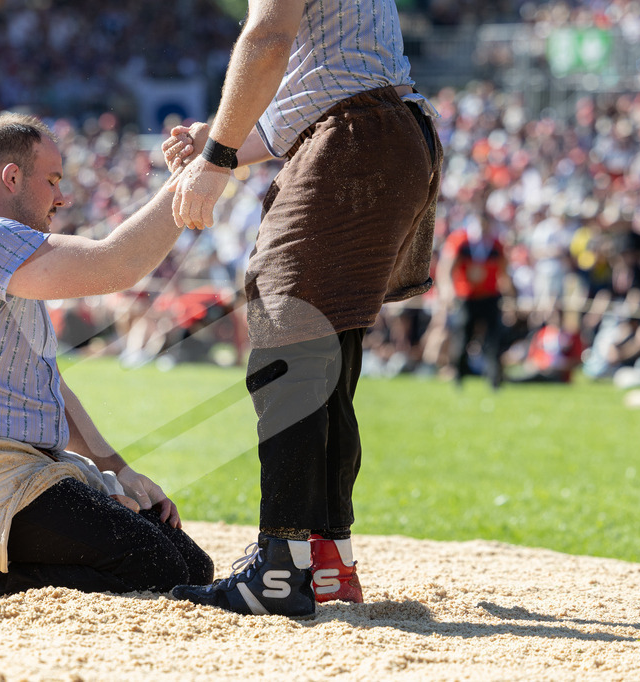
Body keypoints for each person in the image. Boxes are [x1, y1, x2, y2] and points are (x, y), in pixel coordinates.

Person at [160, 0, 442, 618]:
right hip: (388, 131)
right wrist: (220, 143)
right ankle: (326, 560)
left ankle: (281, 569)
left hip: (354, 137)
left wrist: (216, 160)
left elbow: (266, 37)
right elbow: (313, 94)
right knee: (328, 353)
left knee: (285, 345)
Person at [0, 112, 212, 598]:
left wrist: (122, 472)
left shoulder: (0, 256)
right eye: (53, 180)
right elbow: (115, 265)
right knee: (158, 565)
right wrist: (200, 172)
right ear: (11, 177)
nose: (62, 197)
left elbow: (50, 386)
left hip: (18, 470)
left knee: (192, 565)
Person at [436, 213, 514, 389]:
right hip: (467, 297)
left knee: (493, 339)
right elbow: (447, 268)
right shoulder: (460, 241)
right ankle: (459, 377)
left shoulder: (495, 244)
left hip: (490, 296)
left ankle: (494, 379)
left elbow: (504, 271)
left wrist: (510, 296)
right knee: (463, 338)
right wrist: (448, 290)